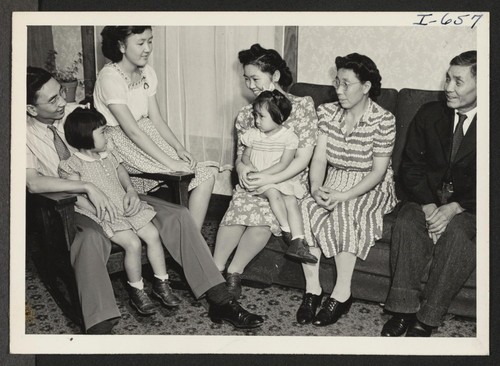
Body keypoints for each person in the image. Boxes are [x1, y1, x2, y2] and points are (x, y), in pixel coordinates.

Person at [26, 66, 264, 333]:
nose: (62, 102)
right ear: (31, 109)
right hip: (71, 206)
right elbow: (33, 182)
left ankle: (220, 299)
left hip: (117, 193)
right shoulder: (22, 134)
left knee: (179, 216)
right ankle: (100, 323)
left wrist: (128, 190)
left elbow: (113, 154)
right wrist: (85, 186)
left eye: (60, 93)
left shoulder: (75, 113)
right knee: (90, 240)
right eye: (52, 100)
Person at [381, 51, 477, 337]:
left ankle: (428, 318)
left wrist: (456, 207)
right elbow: (410, 166)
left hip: (471, 206)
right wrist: (429, 204)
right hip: (426, 197)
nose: (448, 87)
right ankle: (402, 309)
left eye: (458, 81)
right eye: (448, 78)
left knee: (459, 234)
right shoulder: (430, 113)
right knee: (408, 221)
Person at [297, 53, 397, 327]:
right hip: (335, 177)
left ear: (365, 87)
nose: (338, 90)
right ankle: (312, 290)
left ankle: (342, 293)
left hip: (370, 183)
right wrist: (316, 187)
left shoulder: (383, 119)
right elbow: (319, 158)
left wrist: (342, 196)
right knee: (305, 209)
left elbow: (378, 172)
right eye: (336, 82)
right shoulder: (327, 112)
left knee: (345, 211)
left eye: (346, 84)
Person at [212, 44, 318, 299]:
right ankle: (214, 271)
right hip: (255, 179)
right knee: (238, 210)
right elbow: (241, 155)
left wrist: (268, 180)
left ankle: (234, 273)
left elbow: (301, 159)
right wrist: (243, 170)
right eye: (246, 79)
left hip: (285, 181)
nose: (250, 85)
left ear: (275, 76)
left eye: (255, 78)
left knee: (262, 218)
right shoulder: (246, 115)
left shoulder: (302, 107)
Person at [59, 108, 182, 315]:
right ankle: (137, 290)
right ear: (85, 137)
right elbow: (76, 196)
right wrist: (99, 213)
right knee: (132, 243)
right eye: (102, 132)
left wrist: (130, 190)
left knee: (152, 235)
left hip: (124, 204)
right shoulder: (73, 164)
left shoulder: (108, 154)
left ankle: (162, 284)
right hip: (106, 213)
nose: (107, 135)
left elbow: (121, 171)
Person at [93, 26, 215, 230]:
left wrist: (179, 148)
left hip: (146, 134)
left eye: (150, 41)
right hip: (120, 141)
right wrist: (170, 162)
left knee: (205, 175)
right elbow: (131, 130)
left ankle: (191, 243)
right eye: (140, 43)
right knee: (193, 175)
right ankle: (192, 245)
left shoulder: (147, 72)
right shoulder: (109, 77)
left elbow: (156, 119)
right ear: (121, 46)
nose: (147, 48)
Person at [241, 90, 317, 263]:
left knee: (290, 200)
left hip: (275, 177)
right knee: (274, 194)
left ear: (279, 116)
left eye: (261, 116)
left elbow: (284, 164)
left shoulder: (289, 138)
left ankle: (298, 240)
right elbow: (245, 155)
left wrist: (264, 175)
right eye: (255, 116)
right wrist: (248, 166)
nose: (257, 121)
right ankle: (287, 231)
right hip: (258, 181)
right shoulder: (253, 135)